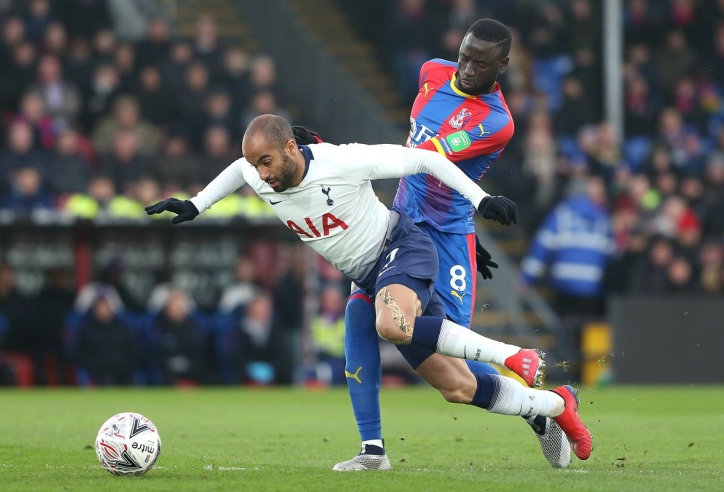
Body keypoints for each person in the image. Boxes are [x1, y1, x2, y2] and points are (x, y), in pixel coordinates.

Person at [146, 114, 593, 464]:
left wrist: (480, 199)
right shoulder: (257, 171)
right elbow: (236, 171)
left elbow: (425, 159)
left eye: (266, 163)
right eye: (255, 165)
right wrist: (196, 204)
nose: (260, 175)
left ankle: (511, 355)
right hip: (370, 277)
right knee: (456, 386)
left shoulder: (342, 161)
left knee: (388, 324)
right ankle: (553, 405)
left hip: (401, 248)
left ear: (289, 148)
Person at [295, 18, 572, 470]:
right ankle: (372, 450)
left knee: (452, 367)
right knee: (359, 311)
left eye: (480, 64)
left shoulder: (496, 121)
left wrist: (471, 218)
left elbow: (429, 157)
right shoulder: (431, 72)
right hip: (400, 225)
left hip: (446, 237)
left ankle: (539, 409)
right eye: (464, 55)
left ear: (502, 66)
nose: (466, 69)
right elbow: (407, 152)